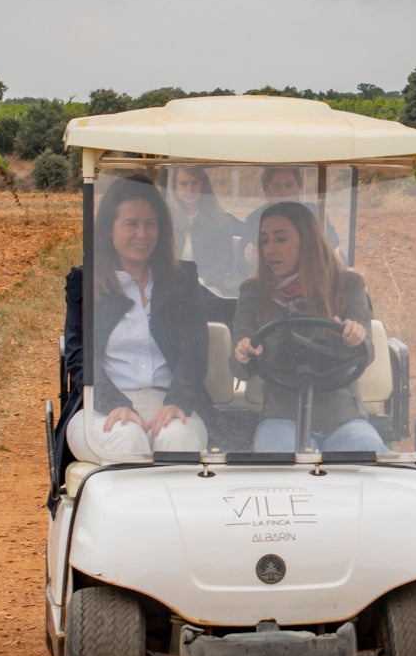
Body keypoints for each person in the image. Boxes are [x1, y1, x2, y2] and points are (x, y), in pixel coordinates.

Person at [63, 177, 210, 463]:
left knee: (176, 437)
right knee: (125, 436)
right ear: (109, 228)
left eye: (150, 223)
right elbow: (79, 355)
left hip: (168, 399)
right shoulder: (87, 283)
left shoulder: (181, 280)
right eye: (131, 223)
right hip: (102, 403)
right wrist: (115, 403)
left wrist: (177, 400)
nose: (142, 234)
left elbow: (196, 348)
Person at [231, 200, 385, 458]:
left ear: (307, 242)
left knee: (367, 450)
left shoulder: (347, 285)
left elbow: (366, 349)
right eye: (265, 240)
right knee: (277, 455)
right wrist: (243, 354)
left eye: (281, 239)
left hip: (341, 417)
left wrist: (355, 338)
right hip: (282, 416)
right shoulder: (253, 292)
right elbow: (238, 368)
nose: (270, 249)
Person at [163, 164, 241, 292]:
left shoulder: (220, 221)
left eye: (195, 183)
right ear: (175, 187)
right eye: (183, 184)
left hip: (208, 287)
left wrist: (202, 281)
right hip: (171, 287)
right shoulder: (164, 220)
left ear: (203, 186)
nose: (190, 189)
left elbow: (223, 262)